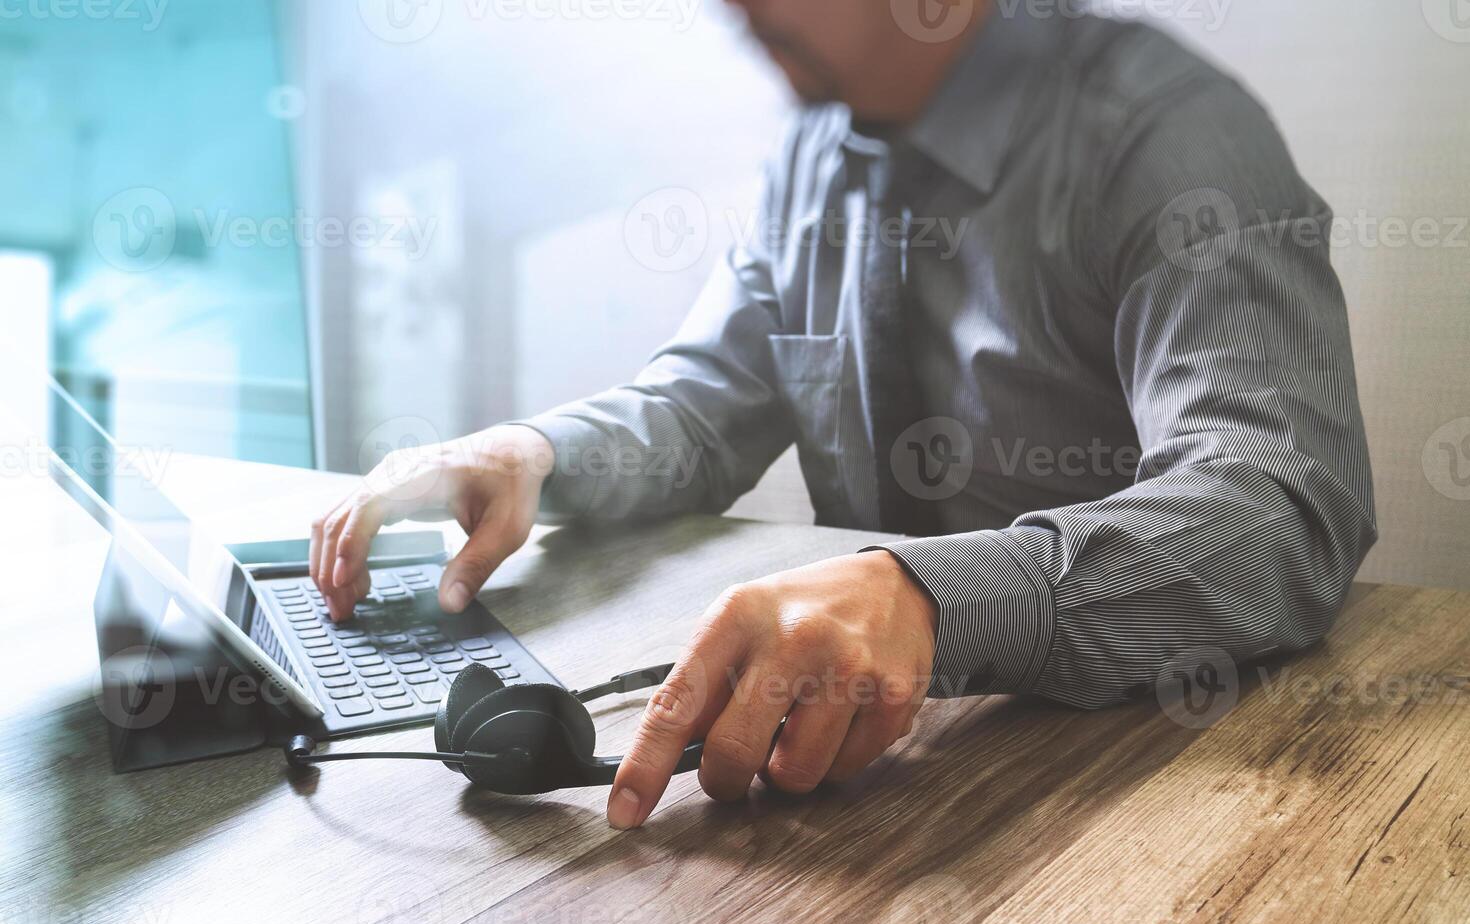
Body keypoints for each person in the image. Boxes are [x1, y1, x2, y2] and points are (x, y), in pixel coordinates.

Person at [310, 0, 1376, 830]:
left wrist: (930, 595)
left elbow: (1279, 502)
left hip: (1153, 785)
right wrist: (535, 451)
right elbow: (701, 405)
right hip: (858, 786)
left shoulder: (1171, 135)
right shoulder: (818, 152)